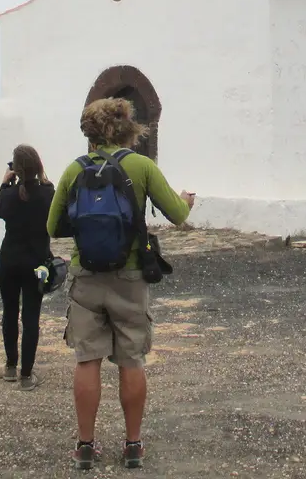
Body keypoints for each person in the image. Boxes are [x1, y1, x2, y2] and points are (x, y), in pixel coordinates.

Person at [47, 98, 195, 471]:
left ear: (91, 132)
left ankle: (85, 446)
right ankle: (132, 445)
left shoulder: (73, 171)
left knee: (87, 359)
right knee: (131, 359)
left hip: (86, 276)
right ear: (127, 127)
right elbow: (176, 216)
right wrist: (186, 201)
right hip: (130, 276)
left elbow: (52, 228)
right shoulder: (141, 165)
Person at [0, 144, 57, 390]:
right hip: (37, 264)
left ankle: (10, 366)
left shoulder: (9, 194)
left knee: (9, 312)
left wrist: (4, 183)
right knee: (31, 317)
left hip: (8, 261)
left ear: (16, 169)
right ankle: (27, 375)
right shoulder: (47, 192)